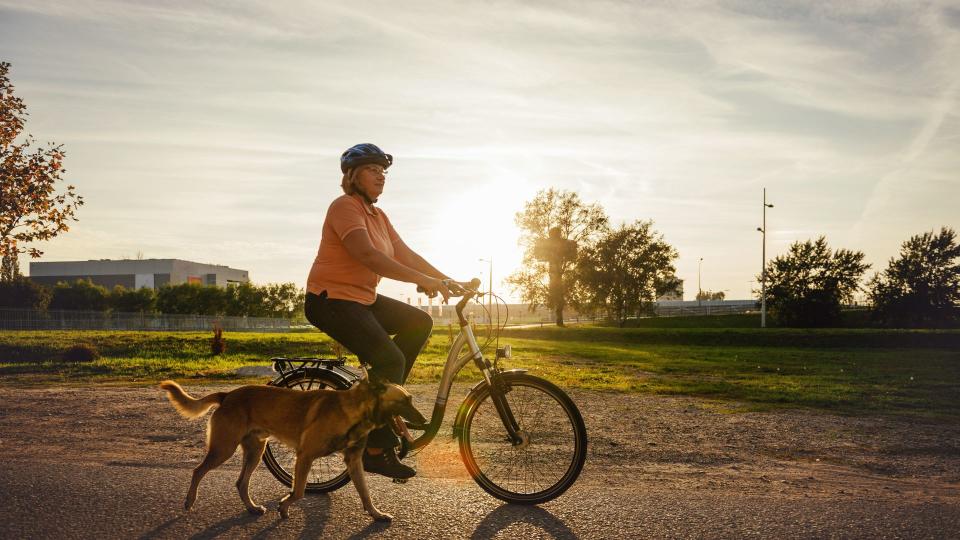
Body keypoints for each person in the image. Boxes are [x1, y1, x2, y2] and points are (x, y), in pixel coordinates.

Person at [304, 143, 453, 479]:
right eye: (373, 170)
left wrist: (445, 278)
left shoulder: (379, 216)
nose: (381, 177)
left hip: (361, 298)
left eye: (383, 171)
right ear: (353, 176)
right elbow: (368, 256)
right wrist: (422, 280)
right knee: (391, 359)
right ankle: (375, 447)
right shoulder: (344, 207)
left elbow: (405, 254)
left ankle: (380, 396)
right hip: (330, 300)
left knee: (418, 321)